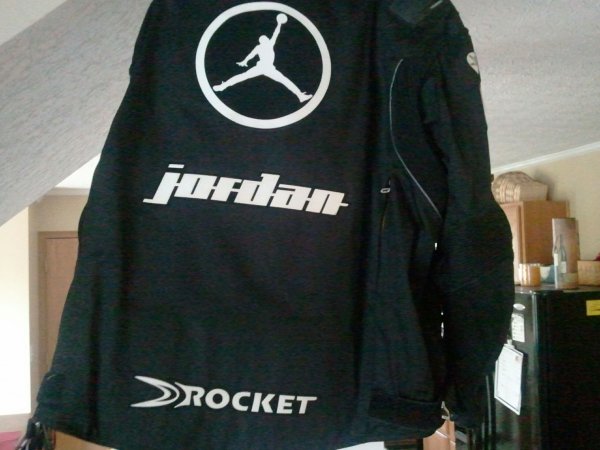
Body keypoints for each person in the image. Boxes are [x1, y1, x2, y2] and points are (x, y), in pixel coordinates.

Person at [213, 13, 313, 103]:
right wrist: (244, 61)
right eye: (264, 38)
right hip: (260, 67)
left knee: (285, 81)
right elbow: (251, 54)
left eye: (266, 38)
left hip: (269, 68)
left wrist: (279, 24)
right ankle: (223, 86)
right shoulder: (260, 47)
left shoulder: (270, 44)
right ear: (261, 41)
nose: (266, 39)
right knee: (242, 76)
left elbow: (276, 33)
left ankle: (300, 95)